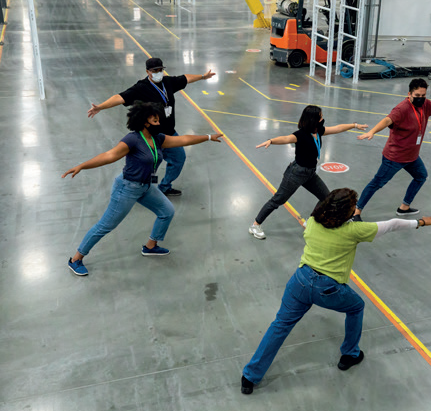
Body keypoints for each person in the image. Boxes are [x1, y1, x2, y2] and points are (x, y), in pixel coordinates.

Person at [240, 188, 431, 394]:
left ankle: (250, 376)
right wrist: (421, 222)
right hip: (328, 289)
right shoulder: (354, 231)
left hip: (299, 281)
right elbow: (392, 225)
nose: (356, 209)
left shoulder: (312, 222)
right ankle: (350, 354)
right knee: (356, 307)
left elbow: (309, 227)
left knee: (280, 325)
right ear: (344, 214)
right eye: (353, 208)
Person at [65, 102, 223, 276]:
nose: (159, 123)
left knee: (167, 211)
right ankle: (76, 259)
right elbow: (109, 156)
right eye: (155, 120)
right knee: (106, 225)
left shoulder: (158, 138)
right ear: (144, 122)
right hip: (127, 188)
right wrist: (82, 166)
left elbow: (183, 139)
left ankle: (150, 246)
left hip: (146, 186)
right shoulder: (133, 139)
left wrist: (208, 137)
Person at [87, 57, 217, 196]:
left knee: (179, 159)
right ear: (147, 72)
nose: (158, 72)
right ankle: (127, 185)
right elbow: (120, 97)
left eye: (161, 70)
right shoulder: (141, 87)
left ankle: (165, 187)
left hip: (169, 133)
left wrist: (203, 76)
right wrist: (100, 107)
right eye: (155, 70)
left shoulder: (168, 82)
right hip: (151, 136)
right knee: (145, 165)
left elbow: (186, 78)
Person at [352, 78, 431, 221]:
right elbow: (387, 120)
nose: (420, 99)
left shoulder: (426, 105)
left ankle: (404, 208)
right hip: (395, 158)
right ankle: (356, 212)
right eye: (417, 96)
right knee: (376, 183)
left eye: (423, 96)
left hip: (412, 157)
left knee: (421, 176)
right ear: (409, 94)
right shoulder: (402, 109)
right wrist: (373, 131)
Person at [248, 105, 369, 239]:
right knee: (278, 200)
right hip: (296, 173)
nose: (323, 118)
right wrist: (271, 141)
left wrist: (354, 125)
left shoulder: (319, 131)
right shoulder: (301, 134)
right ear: (314, 119)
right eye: (321, 116)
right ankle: (255, 225)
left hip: (310, 173)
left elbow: (337, 128)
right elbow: (286, 138)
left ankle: (311, 222)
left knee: (326, 198)